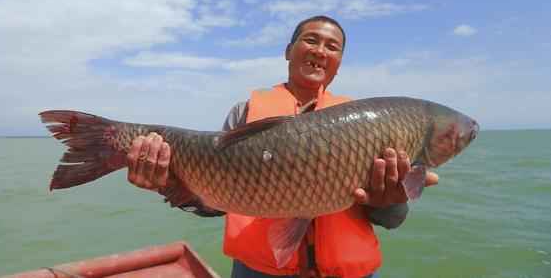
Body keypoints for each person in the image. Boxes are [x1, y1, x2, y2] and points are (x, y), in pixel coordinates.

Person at [125, 15, 439, 278]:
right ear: (288, 51)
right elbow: (215, 203)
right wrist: (168, 185)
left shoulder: (370, 125)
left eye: (332, 46)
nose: (320, 50)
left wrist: (385, 200)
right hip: (258, 270)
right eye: (311, 40)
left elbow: (394, 218)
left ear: (339, 63)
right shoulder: (244, 113)